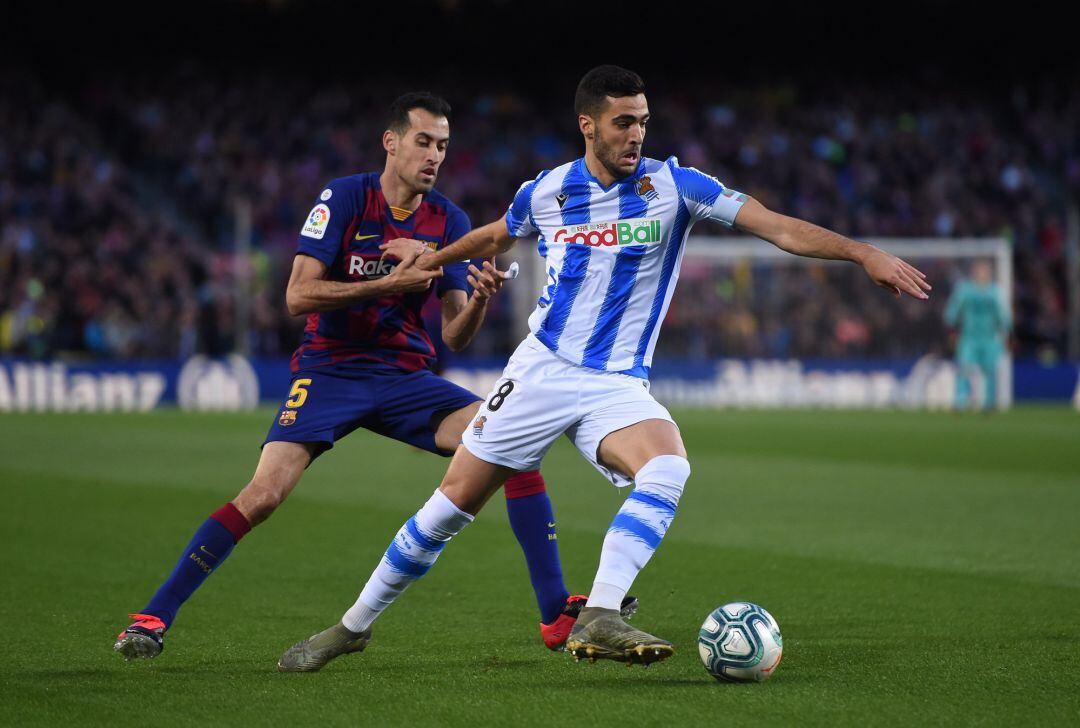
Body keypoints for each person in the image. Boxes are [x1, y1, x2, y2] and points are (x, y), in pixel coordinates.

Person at [278, 66, 931, 671]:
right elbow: (495, 237)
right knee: (452, 505)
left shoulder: (676, 186)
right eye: (623, 122)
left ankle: (600, 613)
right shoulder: (550, 190)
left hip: (617, 383)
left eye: (643, 121)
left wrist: (860, 252)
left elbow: (777, 227)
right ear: (589, 125)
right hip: (541, 370)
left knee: (669, 465)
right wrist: (433, 257)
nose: (636, 134)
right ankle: (353, 626)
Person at [115, 92, 615, 662]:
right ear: (392, 141)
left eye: (444, 146)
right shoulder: (346, 198)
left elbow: (454, 336)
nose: (434, 156)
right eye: (424, 142)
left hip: (406, 376)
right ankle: (155, 616)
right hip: (330, 371)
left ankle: (554, 614)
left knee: (515, 443)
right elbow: (297, 295)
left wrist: (476, 299)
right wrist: (386, 285)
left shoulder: (448, 220)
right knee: (264, 495)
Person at [944, 260, 1010, 411]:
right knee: (964, 368)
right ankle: (960, 401)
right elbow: (953, 311)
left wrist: (1007, 332)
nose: (982, 274)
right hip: (969, 338)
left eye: (985, 270)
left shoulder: (995, 292)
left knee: (989, 370)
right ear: (973, 272)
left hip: (990, 338)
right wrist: (952, 328)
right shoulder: (965, 290)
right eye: (979, 270)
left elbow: (1003, 315)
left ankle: (988, 403)